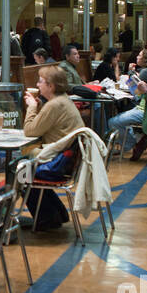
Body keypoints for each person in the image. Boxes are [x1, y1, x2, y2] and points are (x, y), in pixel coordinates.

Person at [22, 66, 84, 230]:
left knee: (19, 173)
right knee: (24, 166)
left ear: (51, 86)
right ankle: (57, 213)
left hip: (58, 163)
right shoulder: (63, 100)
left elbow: (30, 131)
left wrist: (31, 107)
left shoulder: (54, 105)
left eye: (40, 81)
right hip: (66, 160)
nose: (37, 84)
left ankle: (46, 219)